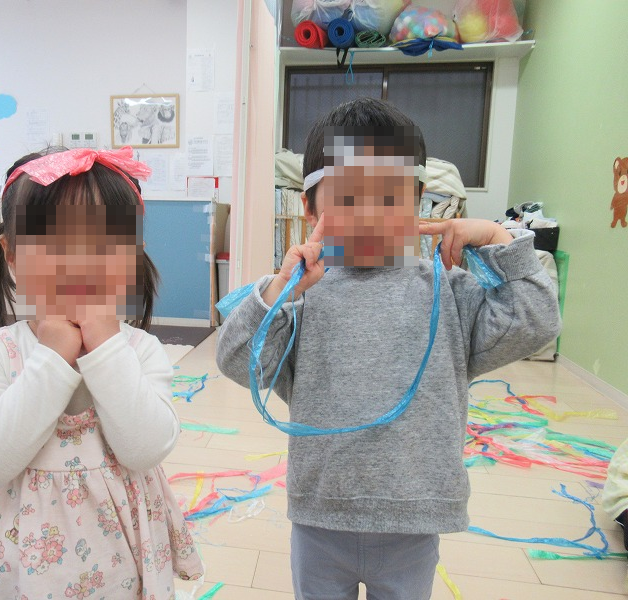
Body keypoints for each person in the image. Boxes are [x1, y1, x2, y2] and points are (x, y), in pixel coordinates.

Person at [215, 98, 561, 600]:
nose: (371, 213)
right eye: (349, 196)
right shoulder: (301, 296)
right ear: (310, 208)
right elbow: (236, 360)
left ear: (417, 202)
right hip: (320, 516)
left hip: (413, 521)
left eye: (390, 195)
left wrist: (498, 237)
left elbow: (535, 320)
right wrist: (278, 291)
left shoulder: (450, 291)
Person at [0, 147, 203, 599]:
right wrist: (51, 359)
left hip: (119, 563)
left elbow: (146, 449)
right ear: (12, 255)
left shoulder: (140, 351)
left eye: (105, 243)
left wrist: (106, 350)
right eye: (53, 243)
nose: (80, 262)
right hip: (17, 566)